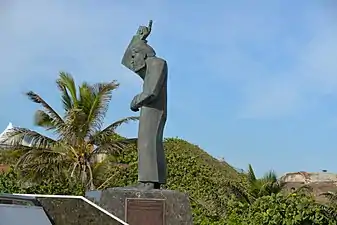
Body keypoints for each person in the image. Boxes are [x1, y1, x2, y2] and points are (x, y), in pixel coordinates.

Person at [121, 21, 168, 190]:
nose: (133, 60)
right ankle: (150, 181)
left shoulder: (157, 63)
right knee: (146, 141)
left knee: (148, 141)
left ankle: (149, 181)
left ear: (143, 54)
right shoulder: (148, 66)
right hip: (150, 108)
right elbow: (126, 62)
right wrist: (138, 38)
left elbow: (151, 92)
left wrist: (136, 101)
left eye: (135, 55)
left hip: (155, 109)